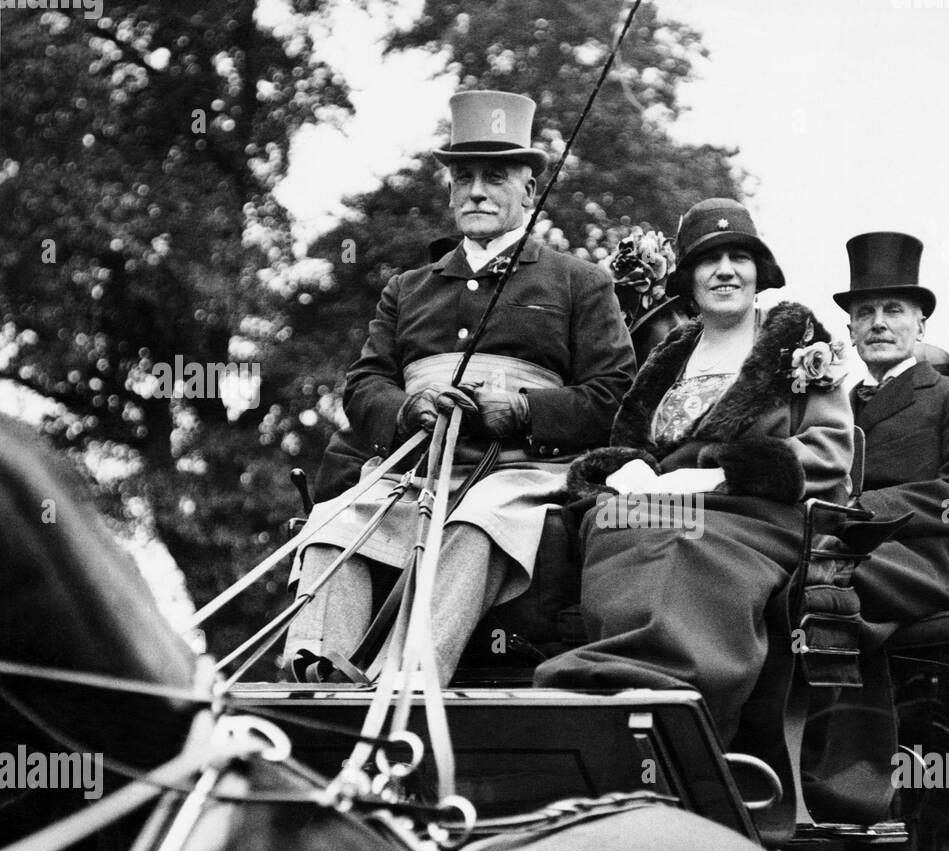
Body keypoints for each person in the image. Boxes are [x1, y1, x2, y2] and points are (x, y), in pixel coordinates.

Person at [284, 90, 636, 683]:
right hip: (415, 471)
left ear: (528, 189)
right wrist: (410, 407)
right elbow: (365, 382)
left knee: (479, 522)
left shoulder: (579, 283)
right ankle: (320, 674)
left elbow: (616, 395)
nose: (476, 191)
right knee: (337, 519)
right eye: (463, 176)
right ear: (448, 190)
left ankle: (410, 678)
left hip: (523, 474)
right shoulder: (408, 287)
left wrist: (523, 411)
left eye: (495, 177)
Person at [534, 198, 855, 756]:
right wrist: (628, 470)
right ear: (689, 276)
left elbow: (829, 453)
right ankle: (614, 688)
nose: (725, 270)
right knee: (613, 522)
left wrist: (719, 477)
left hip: (757, 515)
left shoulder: (799, 341)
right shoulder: (668, 355)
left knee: (682, 540)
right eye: (709, 259)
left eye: (739, 257)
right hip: (658, 504)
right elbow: (630, 443)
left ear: (760, 273)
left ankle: (677, 703)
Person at [800, 232, 949, 824]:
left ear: (920, 323)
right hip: (848, 550)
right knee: (799, 571)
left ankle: (851, 784)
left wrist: (860, 508)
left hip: (947, 558)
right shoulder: (832, 407)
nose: (879, 323)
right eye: (864, 312)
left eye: (894, 310)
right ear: (849, 331)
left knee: (831, 582)